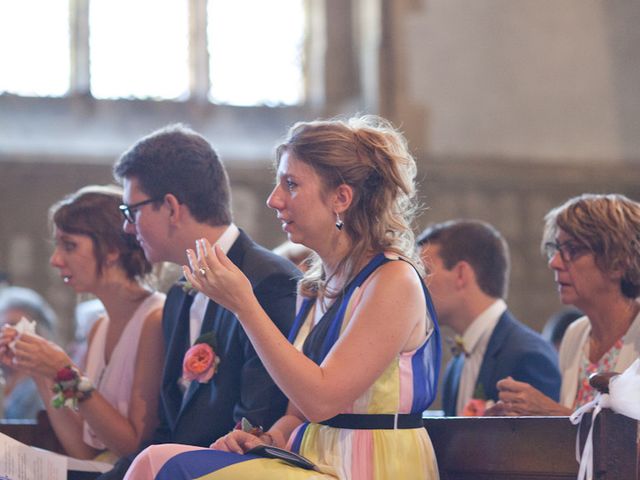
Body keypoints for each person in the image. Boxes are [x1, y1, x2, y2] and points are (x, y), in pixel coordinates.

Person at [124, 115, 442, 479]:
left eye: (290, 184)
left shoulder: (392, 280)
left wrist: (244, 305)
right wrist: (265, 438)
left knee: (161, 465)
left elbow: (320, 400)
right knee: (156, 460)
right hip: (312, 459)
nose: (273, 200)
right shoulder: (318, 285)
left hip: (370, 465)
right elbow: (298, 411)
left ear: (341, 197)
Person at [97, 124, 300, 479]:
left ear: (171, 207)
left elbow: (255, 426)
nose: (128, 228)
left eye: (132, 211)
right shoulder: (179, 293)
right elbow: (168, 427)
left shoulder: (269, 281)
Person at [0, 185, 165, 463]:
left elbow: (133, 447)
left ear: (112, 249)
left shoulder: (154, 318)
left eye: (69, 245)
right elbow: (85, 450)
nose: (55, 260)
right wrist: (40, 370)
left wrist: (64, 371)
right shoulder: (98, 326)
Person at [495, 193, 640, 415]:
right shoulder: (576, 334)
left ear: (620, 261)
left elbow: (631, 440)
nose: (554, 262)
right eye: (556, 248)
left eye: (573, 250)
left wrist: (550, 412)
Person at [417, 220, 561, 416]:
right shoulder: (455, 366)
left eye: (425, 272)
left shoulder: (529, 356)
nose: (417, 286)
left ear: (460, 274)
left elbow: (545, 442)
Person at [0, 286, 57, 419]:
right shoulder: (5, 378)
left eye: (13, 325)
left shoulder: (44, 385)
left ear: (39, 333)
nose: (4, 333)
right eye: (1, 326)